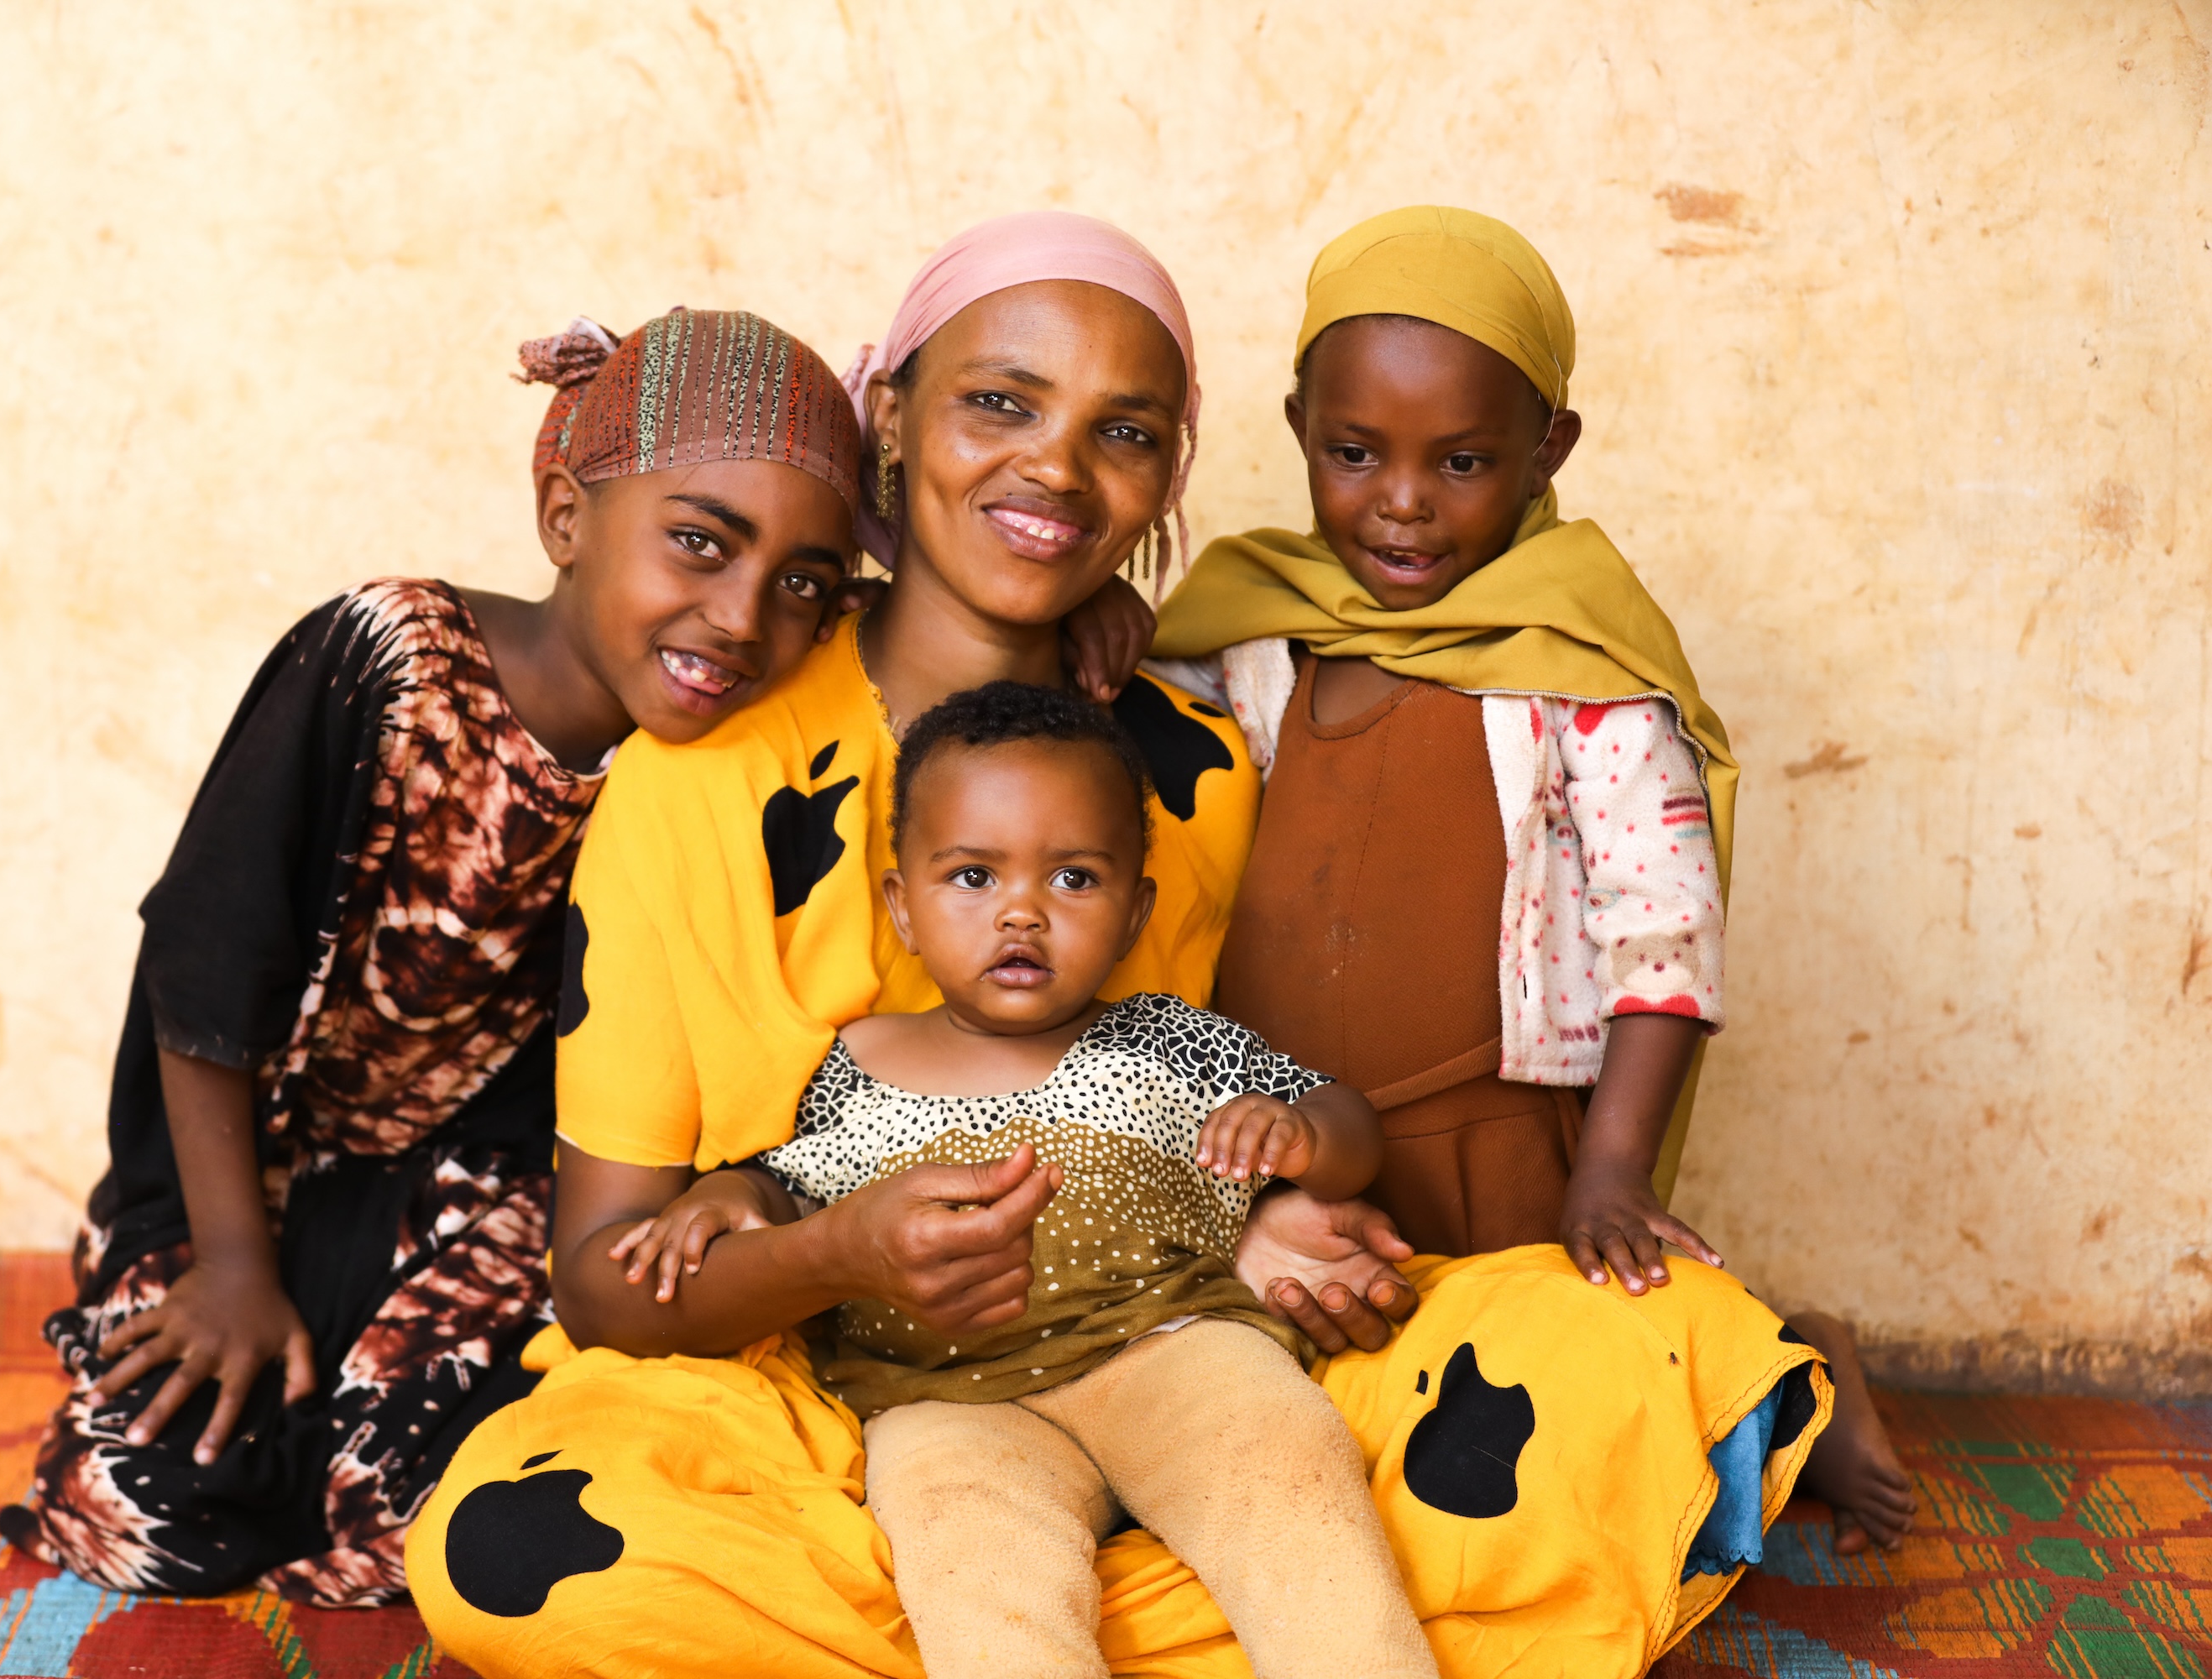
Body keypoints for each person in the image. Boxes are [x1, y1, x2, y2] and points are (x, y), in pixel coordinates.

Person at [410, 213, 1830, 1679]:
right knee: (518, 1558)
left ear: (1171, 474)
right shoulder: (702, 772)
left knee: (1637, 1353)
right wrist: (834, 1253)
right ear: (890, 413)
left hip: (1183, 1341)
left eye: (1127, 432)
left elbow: (1194, 1086)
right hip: (818, 1389)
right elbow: (601, 1280)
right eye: (1001, 403)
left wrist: (1257, 1218)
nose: (1057, 470)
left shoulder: (1197, 750)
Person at [0, 308, 875, 1604]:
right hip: (248, 1179)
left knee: (431, 1512)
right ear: (566, 518)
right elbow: (203, 972)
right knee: (145, 1502)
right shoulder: (384, 661)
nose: (742, 616)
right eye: (698, 541)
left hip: (485, 1208)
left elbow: (911, 640)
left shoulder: (717, 753)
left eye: (802, 581)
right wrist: (231, 1267)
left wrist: (1093, 628)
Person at [1148, 205, 1917, 1556]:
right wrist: (1113, 623)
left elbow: (1660, 935)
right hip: (1294, 1138)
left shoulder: (1582, 674)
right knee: (1308, 1412)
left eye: (1460, 461)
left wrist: (1608, 1170)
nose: (1400, 501)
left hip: (1493, 1139)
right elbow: (1140, 773)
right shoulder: (1260, 633)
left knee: (1548, 1408)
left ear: (1547, 451)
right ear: (1296, 429)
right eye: (1353, 453)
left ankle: (1792, 1376)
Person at [624, 680, 1437, 1679]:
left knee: (1287, 1465)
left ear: (1137, 908)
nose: (1021, 910)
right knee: (969, 1564)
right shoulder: (861, 1060)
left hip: (1167, 1352)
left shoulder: (1166, 1041)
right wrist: (722, 1197)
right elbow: (789, 1187)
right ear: (903, 908)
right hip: (943, 1400)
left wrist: (1303, 1131)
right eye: (971, 876)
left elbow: (1351, 1125)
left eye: (1075, 880)